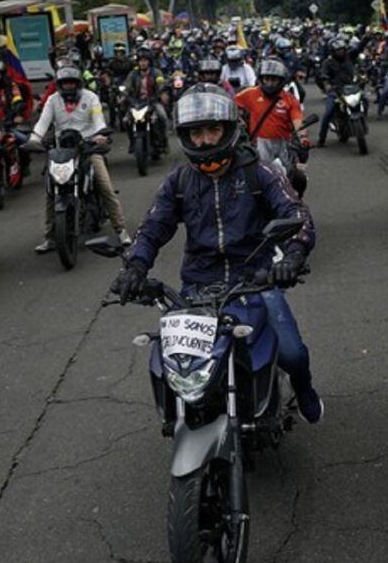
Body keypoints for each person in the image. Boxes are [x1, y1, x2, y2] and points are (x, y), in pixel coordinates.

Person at [113, 84, 323, 423]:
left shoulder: (261, 171)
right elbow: (152, 227)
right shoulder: (178, 181)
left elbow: (296, 214)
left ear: (229, 130)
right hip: (198, 288)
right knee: (175, 364)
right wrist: (135, 266)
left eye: (213, 129)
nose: (206, 140)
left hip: (257, 280)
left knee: (292, 353)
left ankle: (304, 391)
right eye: (196, 132)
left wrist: (294, 254)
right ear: (185, 136)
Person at [30, 66, 132, 252]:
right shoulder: (53, 101)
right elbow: (42, 123)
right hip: (62, 152)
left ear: (79, 84)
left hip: (87, 148)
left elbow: (98, 120)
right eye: (64, 84)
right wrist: (34, 140)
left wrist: (100, 135)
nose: (68, 88)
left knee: (105, 186)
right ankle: (50, 237)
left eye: (72, 83)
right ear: (59, 86)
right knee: (51, 190)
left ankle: (121, 229)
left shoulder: (91, 98)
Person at [235, 58, 309, 195]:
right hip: (256, 146)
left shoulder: (290, 100)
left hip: (284, 147)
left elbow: (298, 122)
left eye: (273, 80)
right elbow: (230, 105)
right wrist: (238, 121)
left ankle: (297, 204)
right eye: (266, 79)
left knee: (299, 179)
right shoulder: (250, 94)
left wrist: (303, 140)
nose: (269, 83)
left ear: (281, 81)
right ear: (261, 79)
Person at [123, 50, 169, 154]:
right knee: (126, 120)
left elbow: (161, 83)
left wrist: (162, 92)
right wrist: (123, 94)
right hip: (136, 103)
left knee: (162, 116)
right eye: (140, 61)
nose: (143, 63)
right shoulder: (133, 74)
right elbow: (127, 86)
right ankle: (132, 142)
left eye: (145, 60)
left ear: (149, 62)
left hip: (153, 101)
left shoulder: (157, 72)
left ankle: (164, 141)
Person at [316, 38, 357, 147]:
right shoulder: (328, 62)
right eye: (338, 50)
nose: (340, 52)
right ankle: (321, 139)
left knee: (365, 101)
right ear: (333, 52)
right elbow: (323, 74)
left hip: (350, 89)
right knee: (328, 113)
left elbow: (359, 48)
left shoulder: (349, 58)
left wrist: (367, 37)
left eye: (342, 50)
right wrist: (327, 84)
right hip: (335, 91)